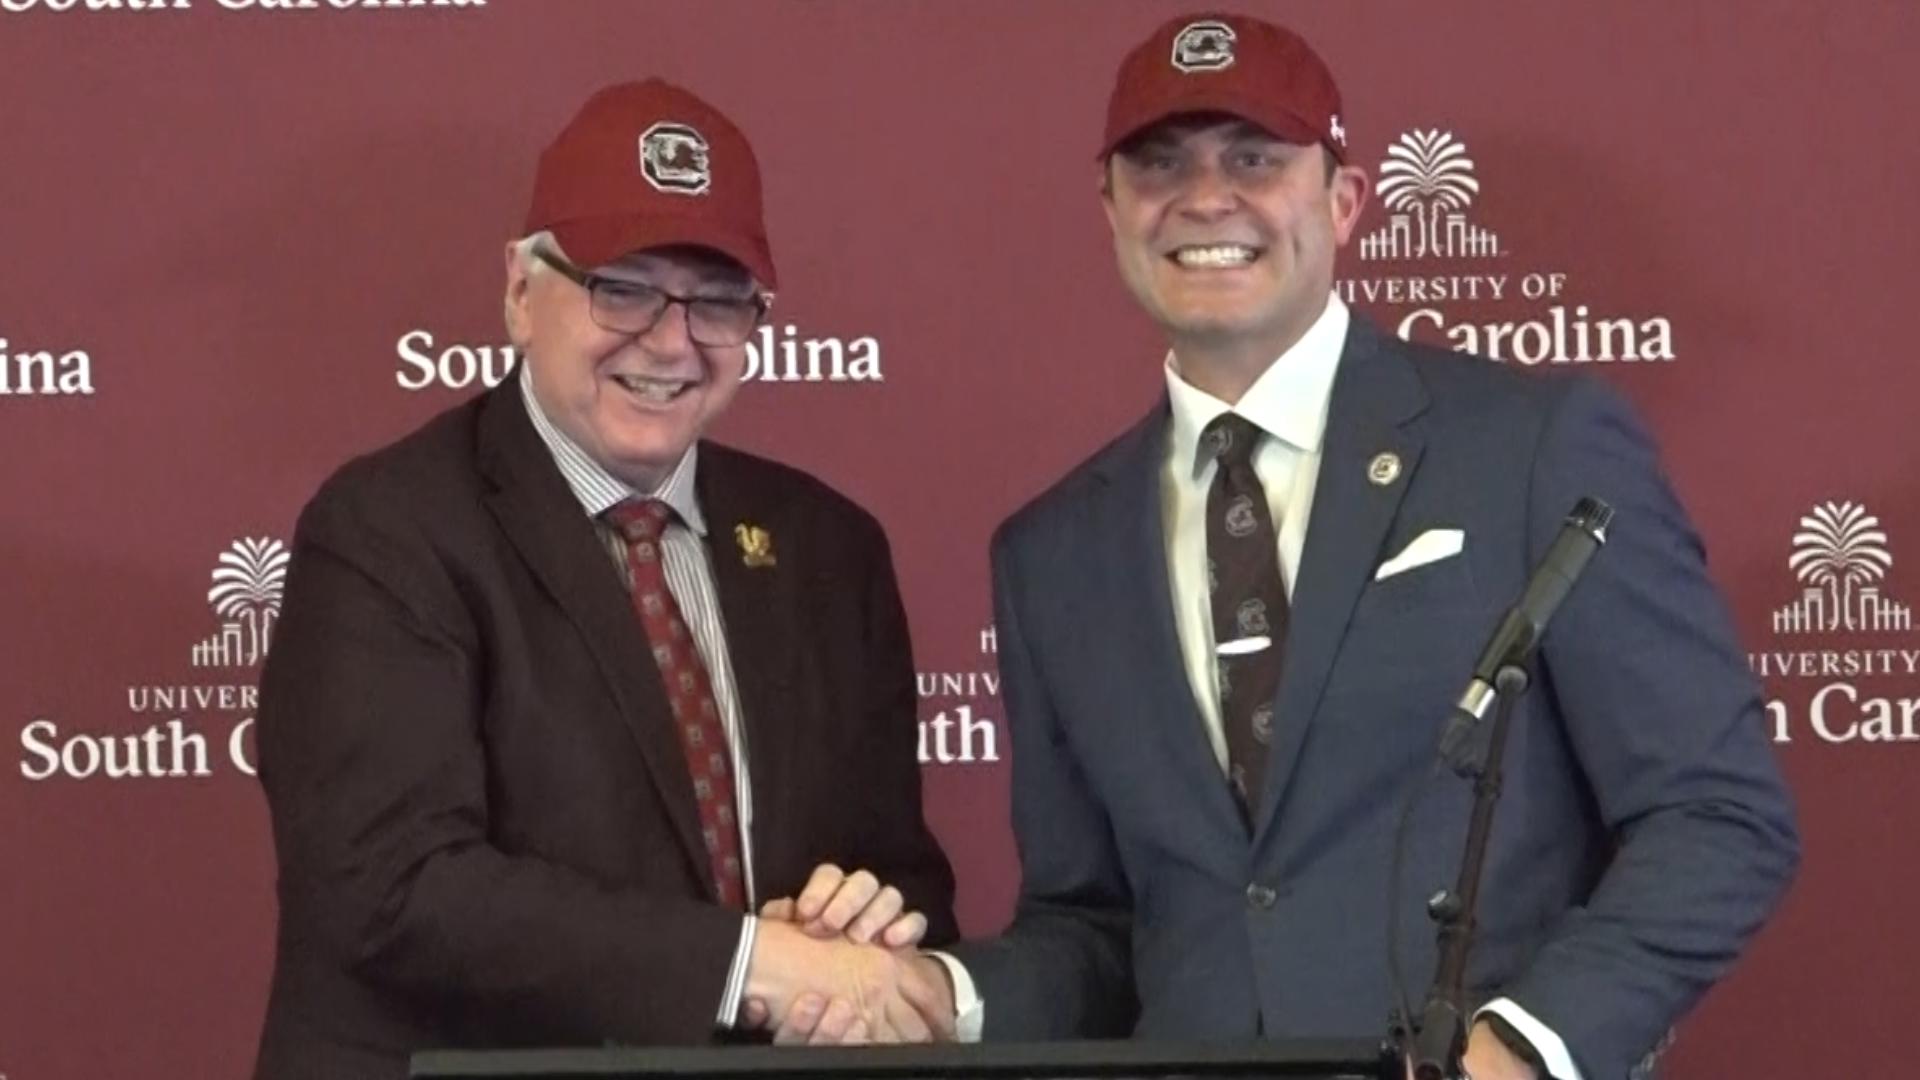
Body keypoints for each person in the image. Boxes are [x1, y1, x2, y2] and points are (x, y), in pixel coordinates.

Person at [806, 14, 1797, 1080]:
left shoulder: (1535, 448)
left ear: (1344, 198)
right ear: (1109, 210)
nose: (1204, 197)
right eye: (1159, 164)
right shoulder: (1052, 552)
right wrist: (939, 993)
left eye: (1254, 158)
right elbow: (1094, 928)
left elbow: (1717, 816)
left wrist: (1530, 1043)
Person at [251, 78, 955, 1080]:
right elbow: (389, 887)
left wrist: (859, 920)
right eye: (622, 286)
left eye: (717, 300)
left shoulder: (830, 548)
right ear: (517, 290)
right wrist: (756, 963)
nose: (671, 341)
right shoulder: (385, 530)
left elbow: (905, 869)